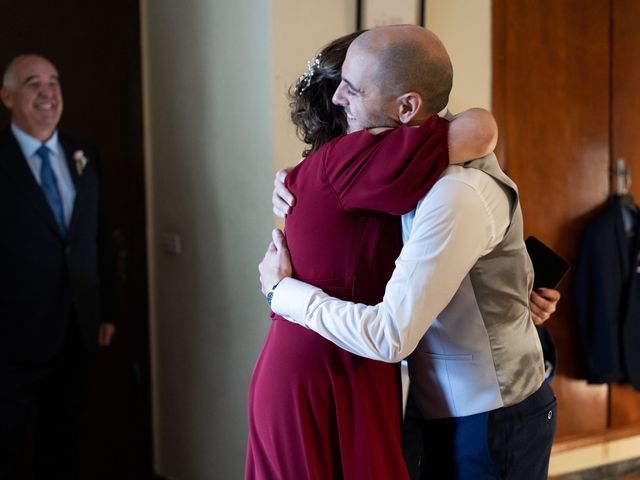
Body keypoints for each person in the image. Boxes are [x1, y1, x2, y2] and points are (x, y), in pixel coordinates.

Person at [260, 25, 560, 479]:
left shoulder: (456, 189)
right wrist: (298, 182)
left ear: (407, 106)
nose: (340, 99)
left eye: (354, 89)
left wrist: (282, 293)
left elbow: (390, 335)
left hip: (491, 412)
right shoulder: (394, 165)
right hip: (430, 401)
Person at [0, 54, 118, 479]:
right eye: (33, 83)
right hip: (11, 339)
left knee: (64, 445)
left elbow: (99, 237)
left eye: (53, 81)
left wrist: (106, 309)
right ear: (8, 97)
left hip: (76, 330)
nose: (48, 92)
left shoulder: (83, 154)